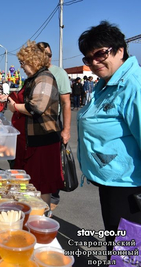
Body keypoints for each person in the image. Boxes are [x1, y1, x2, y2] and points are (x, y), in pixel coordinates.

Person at [77, 21, 141, 253]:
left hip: (130, 188)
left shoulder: (133, 85)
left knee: (127, 254)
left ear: (120, 50)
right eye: (88, 58)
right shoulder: (105, 85)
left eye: (100, 53)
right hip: (112, 184)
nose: (94, 61)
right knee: (117, 248)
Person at [0, 41, 63, 209]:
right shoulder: (34, 78)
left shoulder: (45, 78)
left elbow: (37, 107)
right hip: (34, 140)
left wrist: (15, 107)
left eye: (23, 63)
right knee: (34, 183)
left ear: (34, 60)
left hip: (43, 140)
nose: (22, 67)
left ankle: (41, 217)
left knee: (42, 184)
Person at [37, 42, 72, 210]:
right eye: (44, 54)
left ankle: (52, 205)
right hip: (34, 126)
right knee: (38, 167)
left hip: (52, 124)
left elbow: (66, 103)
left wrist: (66, 130)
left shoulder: (59, 73)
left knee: (53, 167)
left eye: (49, 55)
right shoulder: (34, 74)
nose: (47, 58)